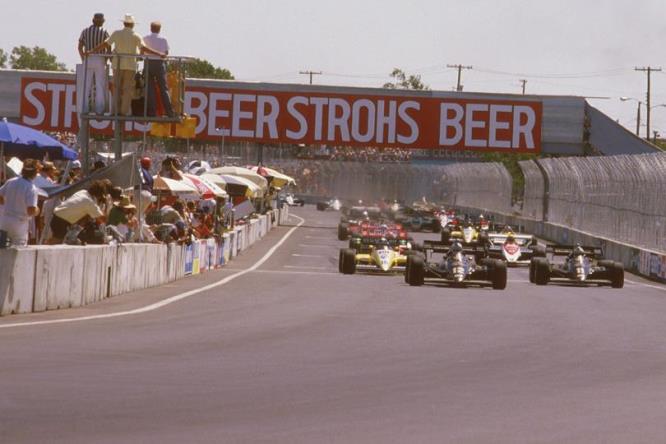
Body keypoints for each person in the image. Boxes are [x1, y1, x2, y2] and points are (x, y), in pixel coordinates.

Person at [87, 14, 165, 116]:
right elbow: (144, 48)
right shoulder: (136, 36)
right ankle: (124, 111)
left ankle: (115, 111)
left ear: (124, 23)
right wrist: (159, 54)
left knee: (116, 88)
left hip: (117, 65)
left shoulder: (116, 33)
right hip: (130, 65)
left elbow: (106, 44)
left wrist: (92, 51)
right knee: (128, 89)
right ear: (132, 25)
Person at [0, 159, 41, 246]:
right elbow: (31, 210)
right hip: (19, 224)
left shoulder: (10, 181)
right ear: (35, 173)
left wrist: (6, 204)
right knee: (18, 253)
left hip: (4, 220)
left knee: (1, 249)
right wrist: (37, 210)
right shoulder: (31, 188)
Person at [78, 13, 110, 114]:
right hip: (100, 58)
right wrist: (105, 59)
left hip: (88, 58)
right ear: (102, 21)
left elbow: (79, 46)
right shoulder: (104, 32)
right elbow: (109, 47)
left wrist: (83, 58)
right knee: (100, 84)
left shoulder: (85, 31)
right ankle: (99, 110)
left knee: (86, 85)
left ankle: (84, 108)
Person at [143, 21, 174, 117]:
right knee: (163, 88)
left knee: (149, 89)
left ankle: (152, 112)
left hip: (148, 63)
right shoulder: (163, 39)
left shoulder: (145, 38)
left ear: (150, 28)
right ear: (159, 29)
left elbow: (141, 50)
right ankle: (169, 112)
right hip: (159, 63)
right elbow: (166, 52)